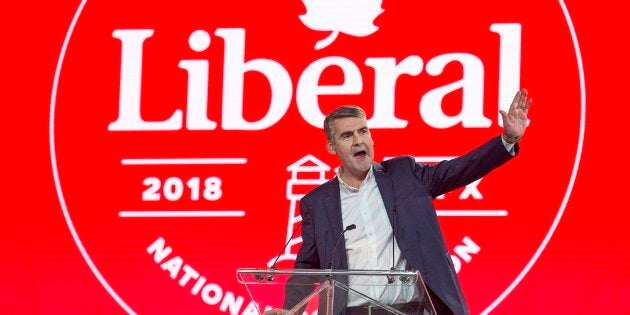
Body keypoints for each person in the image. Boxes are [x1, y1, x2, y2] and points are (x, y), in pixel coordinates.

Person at [276, 89, 532, 315]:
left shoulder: (404, 174)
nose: (358, 141)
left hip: (411, 310)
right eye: (347, 136)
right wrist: (290, 310)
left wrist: (507, 140)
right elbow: (307, 267)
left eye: (363, 131)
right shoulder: (318, 202)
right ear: (332, 147)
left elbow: (459, 169)